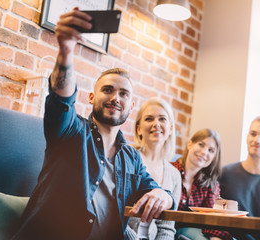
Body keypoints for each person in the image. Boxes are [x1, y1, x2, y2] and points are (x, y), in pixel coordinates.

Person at [12, 8, 174, 240]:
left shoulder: (131, 158)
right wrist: (66, 50)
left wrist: (163, 195)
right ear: (91, 97)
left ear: (131, 105)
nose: (116, 97)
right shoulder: (70, 131)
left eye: (123, 93)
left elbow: (161, 192)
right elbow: (61, 97)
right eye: (107, 90)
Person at [125, 98, 182, 239]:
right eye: (149, 119)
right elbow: (111, 213)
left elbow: (167, 228)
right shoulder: (125, 158)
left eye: (162, 119)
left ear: (170, 128)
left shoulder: (174, 175)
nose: (156, 124)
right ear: (138, 128)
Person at [172, 129, 233, 240]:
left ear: (214, 157)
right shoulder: (170, 171)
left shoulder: (211, 185)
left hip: (198, 234)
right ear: (190, 144)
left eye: (211, 150)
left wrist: (215, 237)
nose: (204, 152)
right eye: (201, 145)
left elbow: (212, 218)